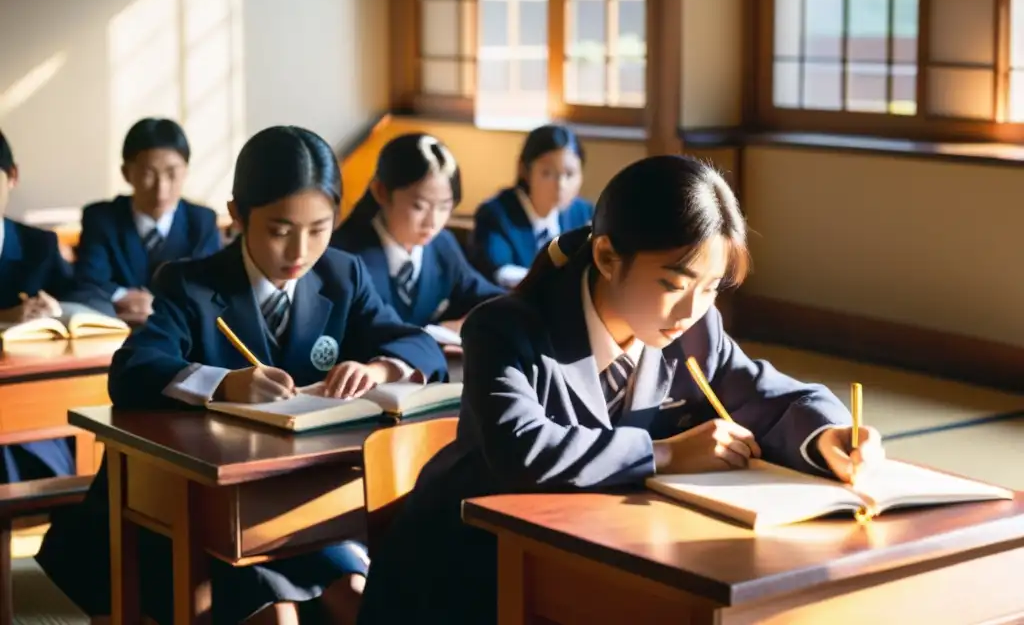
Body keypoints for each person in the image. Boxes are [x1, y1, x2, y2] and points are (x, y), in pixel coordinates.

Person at [357, 155, 884, 624]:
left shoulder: (697, 327)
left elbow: (775, 398)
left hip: (601, 553)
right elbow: (522, 450)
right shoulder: (506, 328)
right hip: (468, 567)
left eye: (710, 289)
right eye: (674, 285)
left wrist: (830, 436)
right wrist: (666, 454)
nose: (691, 310)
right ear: (608, 258)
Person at [39, 125, 449, 624]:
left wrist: (376, 366)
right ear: (236, 214)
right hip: (203, 502)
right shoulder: (192, 283)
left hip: (304, 495)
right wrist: (223, 382)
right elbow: (132, 370)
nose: (299, 250)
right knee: (277, 611)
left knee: (357, 593)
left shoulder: (343, 275)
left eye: (319, 229)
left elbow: (419, 344)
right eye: (279, 230)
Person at [0, 130, 110, 483]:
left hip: (34, 398)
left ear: (12, 176)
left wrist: (57, 309)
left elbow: (89, 297)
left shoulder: (38, 246)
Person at [331, 133, 503, 330]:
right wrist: (434, 334)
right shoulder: (344, 258)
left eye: (444, 207)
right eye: (419, 207)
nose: (432, 222)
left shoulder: (442, 244)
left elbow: (486, 296)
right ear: (381, 192)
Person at [74, 117, 222, 326]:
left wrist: (159, 305)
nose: (161, 189)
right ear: (127, 173)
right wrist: (122, 296)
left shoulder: (202, 221)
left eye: (172, 174)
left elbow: (210, 287)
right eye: (148, 174)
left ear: (186, 171)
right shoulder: (101, 218)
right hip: (119, 332)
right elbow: (87, 282)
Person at [471, 124, 593, 287]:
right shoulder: (496, 214)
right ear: (525, 171)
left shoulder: (584, 213)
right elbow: (500, 272)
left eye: (570, 174)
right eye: (547, 173)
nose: (561, 185)